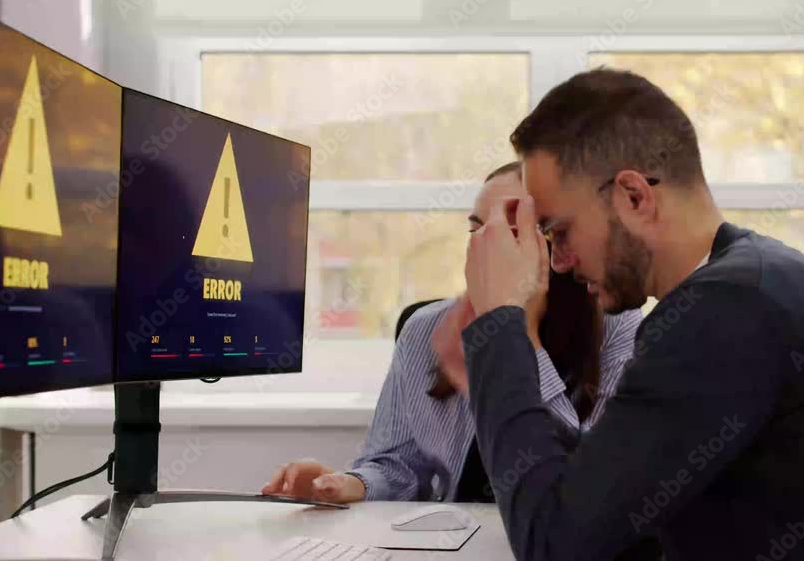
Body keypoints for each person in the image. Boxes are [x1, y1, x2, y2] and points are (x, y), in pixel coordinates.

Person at [462, 68, 804, 560]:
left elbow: (554, 544)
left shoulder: (731, 307)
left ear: (634, 197)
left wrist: (498, 321)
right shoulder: (748, 280)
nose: (558, 262)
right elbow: (608, 497)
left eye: (558, 232)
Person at [261, 162, 642, 506]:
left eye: (511, 232)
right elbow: (396, 465)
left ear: (558, 243)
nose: (484, 246)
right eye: (477, 229)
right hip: (457, 535)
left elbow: (594, 477)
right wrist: (345, 484)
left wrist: (520, 332)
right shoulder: (426, 327)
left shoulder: (617, 325)